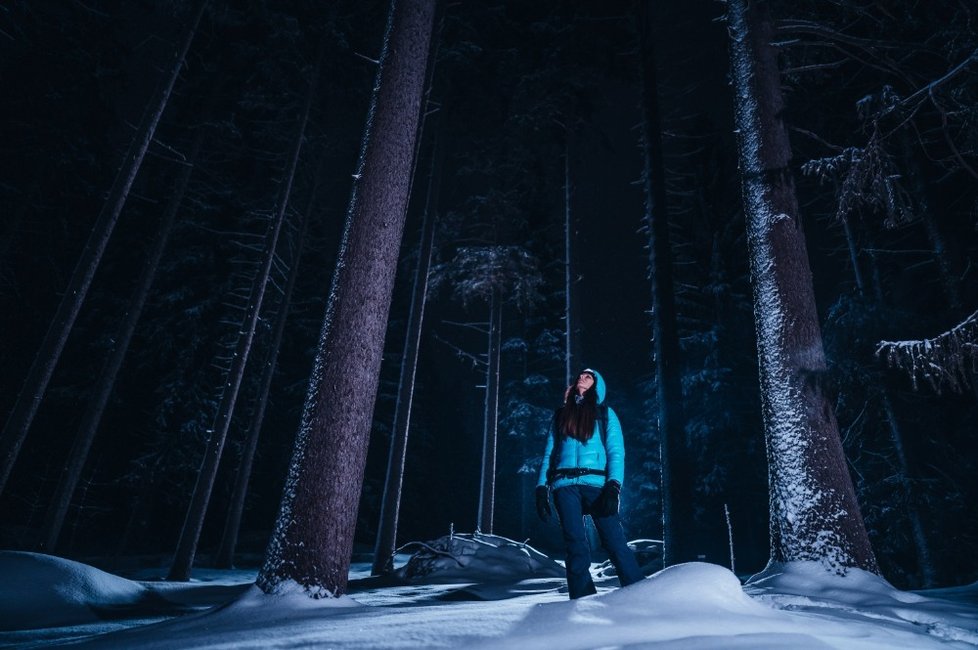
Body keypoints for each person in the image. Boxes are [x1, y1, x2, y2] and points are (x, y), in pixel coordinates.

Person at [535, 368, 644, 599]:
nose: (581, 378)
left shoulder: (605, 414)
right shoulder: (560, 415)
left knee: (614, 541)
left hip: (597, 485)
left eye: (588, 376)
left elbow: (616, 452)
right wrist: (541, 487)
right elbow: (549, 454)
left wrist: (614, 486)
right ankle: (582, 600)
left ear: (597, 385)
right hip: (564, 486)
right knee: (575, 545)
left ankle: (639, 594)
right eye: (580, 376)